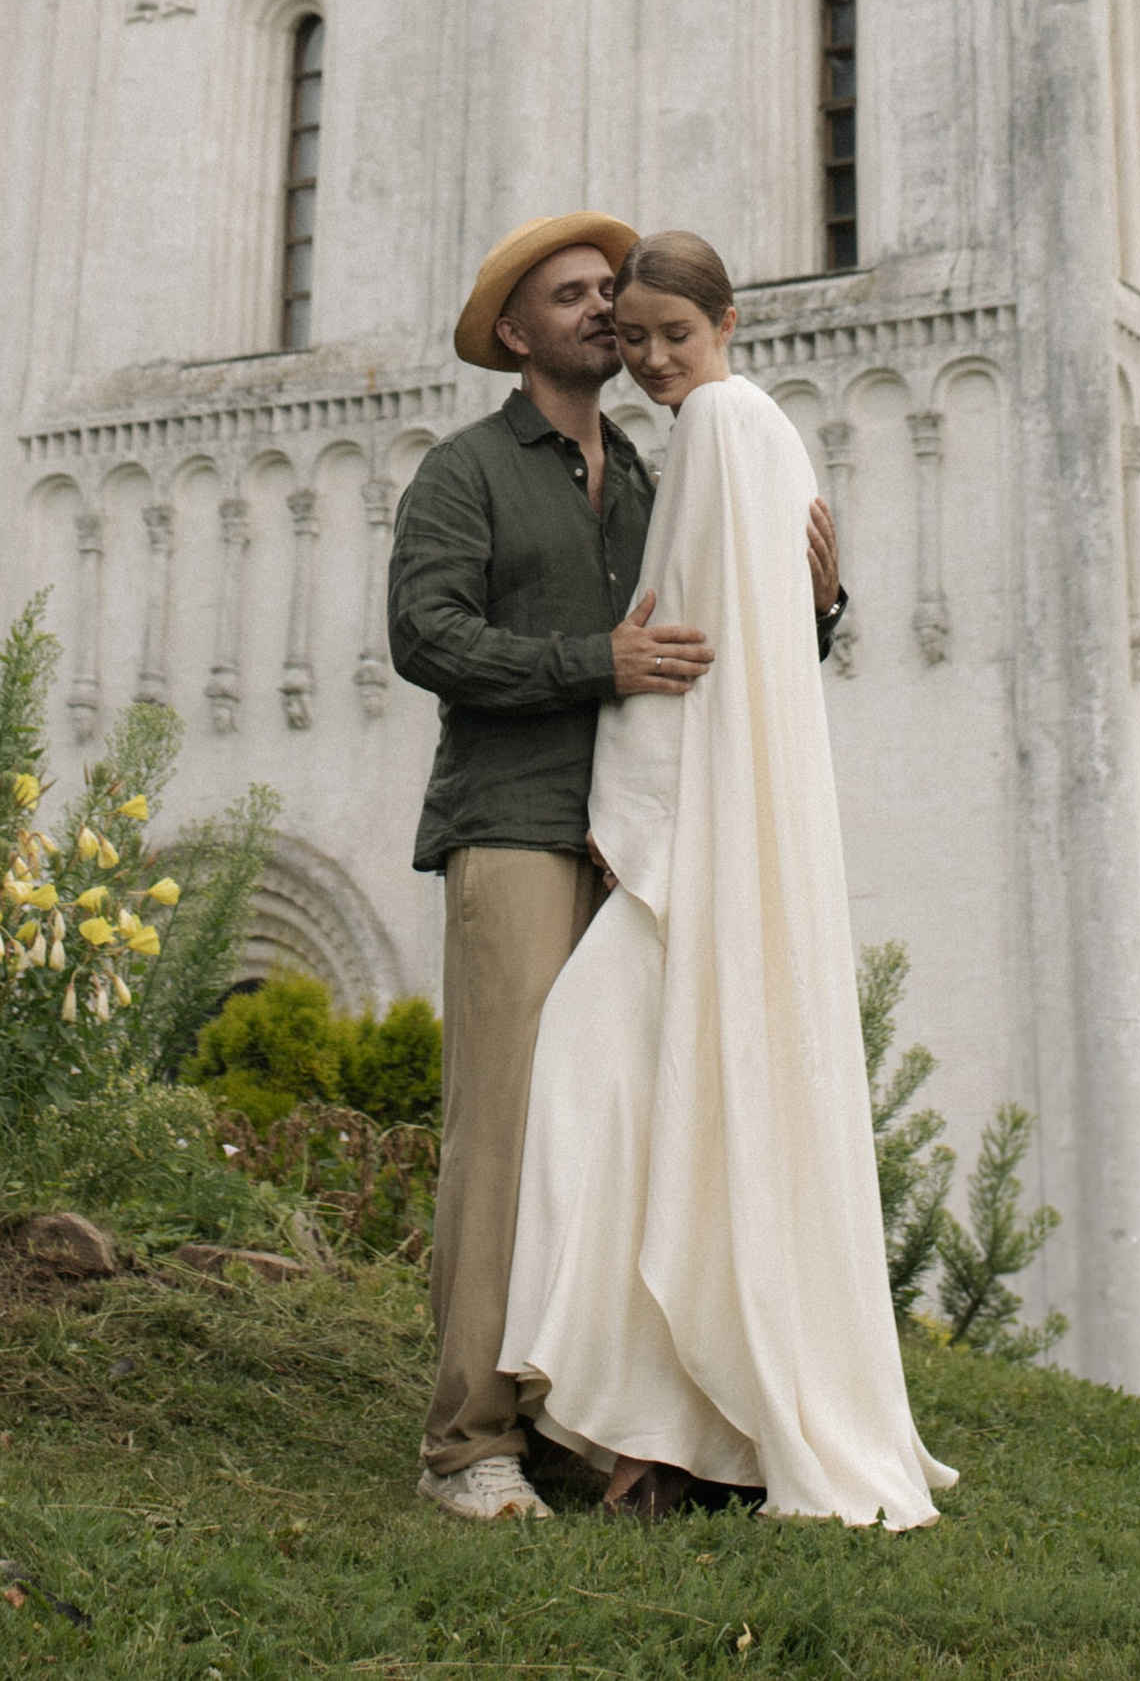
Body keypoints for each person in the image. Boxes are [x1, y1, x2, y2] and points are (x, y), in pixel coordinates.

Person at [388, 215, 848, 1523]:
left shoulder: (650, 471)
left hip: (644, 836)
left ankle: (585, 1423)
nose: (602, 312)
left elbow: (711, 648)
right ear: (517, 331)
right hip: (519, 821)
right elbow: (424, 632)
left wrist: (814, 603)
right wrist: (599, 664)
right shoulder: (467, 471)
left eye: (612, 293)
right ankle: (468, 1440)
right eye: (571, 296)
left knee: (614, 1126)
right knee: (509, 1124)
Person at [499, 230, 954, 1529]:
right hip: (738, 829)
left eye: (669, 336)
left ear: (728, 322)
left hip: (687, 834)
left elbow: (681, 642)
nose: (647, 359)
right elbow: (760, 627)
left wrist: (624, 822)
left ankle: (671, 1427)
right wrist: (818, 606)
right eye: (630, 338)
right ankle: (680, 1430)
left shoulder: (713, 430)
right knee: (685, 1106)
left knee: (605, 1089)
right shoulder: (769, 431)